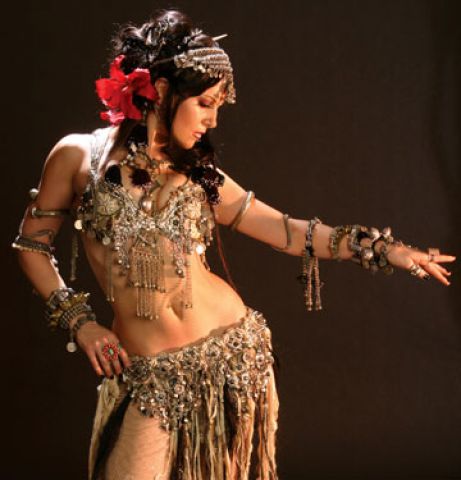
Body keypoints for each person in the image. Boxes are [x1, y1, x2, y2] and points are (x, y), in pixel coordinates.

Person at [13, 8, 455, 480]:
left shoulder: (201, 178)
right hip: (148, 375)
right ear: (160, 90)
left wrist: (382, 249)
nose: (212, 120)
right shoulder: (78, 157)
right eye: (205, 103)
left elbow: (289, 232)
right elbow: (32, 245)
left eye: (219, 106)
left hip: (231, 358)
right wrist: (81, 324)